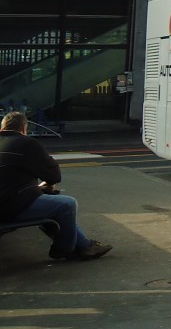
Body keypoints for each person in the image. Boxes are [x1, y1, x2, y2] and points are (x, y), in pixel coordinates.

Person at [0, 111, 112, 261]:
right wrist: (45, 183)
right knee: (67, 205)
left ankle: (86, 246)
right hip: (10, 207)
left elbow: (7, 180)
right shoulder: (27, 144)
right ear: (23, 128)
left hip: (8, 199)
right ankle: (64, 249)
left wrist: (36, 189)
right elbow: (53, 176)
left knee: (53, 205)